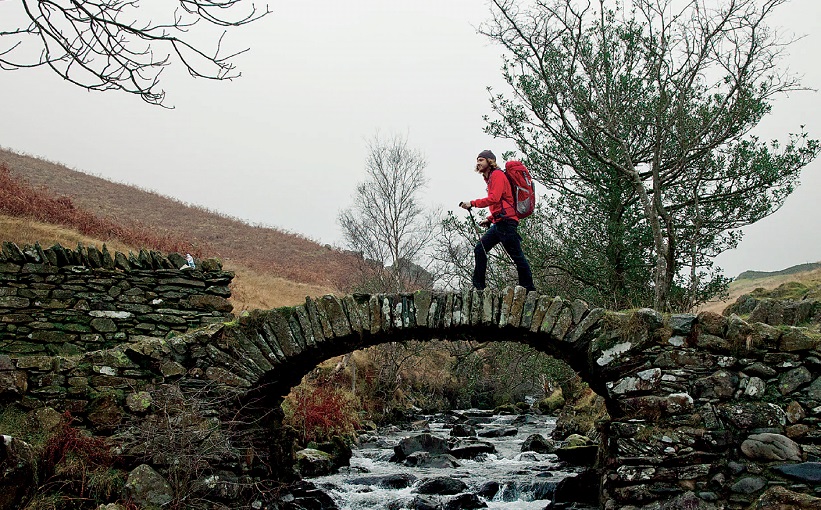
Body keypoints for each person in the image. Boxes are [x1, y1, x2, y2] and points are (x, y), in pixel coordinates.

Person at [459, 150, 536, 292]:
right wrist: (489, 219)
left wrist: (472, 203)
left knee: (517, 256)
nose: (478, 163)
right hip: (500, 222)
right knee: (480, 249)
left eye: (481, 160)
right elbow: (501, 202)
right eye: (477, 160)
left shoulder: (498, 175)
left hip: (506, 222)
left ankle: (529, 289)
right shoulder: (490, 178)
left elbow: (494, 198)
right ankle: (479, 287)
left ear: (490, 161)